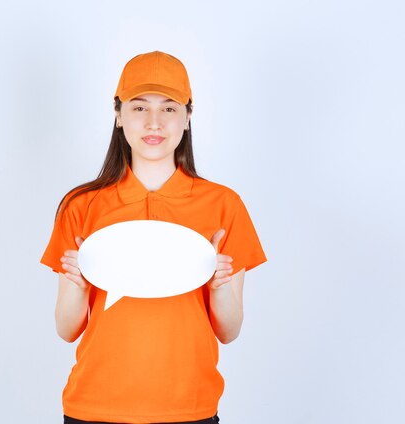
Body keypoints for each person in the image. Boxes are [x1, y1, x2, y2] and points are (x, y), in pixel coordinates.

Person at [40, 50, 267, 424]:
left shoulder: (224, 205)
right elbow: (66, 329)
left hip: (190, 408)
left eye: (170, 108)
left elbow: (229, 331)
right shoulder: (81, 206)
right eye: (139, 107)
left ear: (188, 117)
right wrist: (78, 285)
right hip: (94, 407)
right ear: (118, 115)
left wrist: (220, 286)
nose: (154, 123)